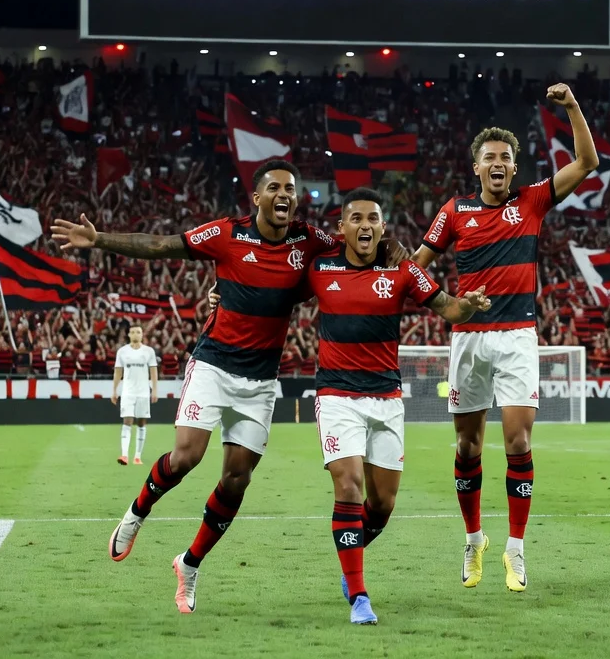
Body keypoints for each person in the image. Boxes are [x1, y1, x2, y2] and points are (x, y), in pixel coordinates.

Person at [53, 159, 344, 614]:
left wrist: (398, 250)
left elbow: (357, 253)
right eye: (276, 188)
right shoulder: (228, 234)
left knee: (236, 480)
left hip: (262, 379)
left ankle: (189, 565)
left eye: (292, 188)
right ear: (257, 197)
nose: (286, 195)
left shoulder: (310, 241)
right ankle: (135, 515)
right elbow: (161, 245)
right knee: (187, 455)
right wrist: (100, 239)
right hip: (213, 365)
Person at [210, 187, 492, 625]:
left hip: (386, 397)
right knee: (349, 487)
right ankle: (359, 595)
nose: (365, 226)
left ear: (383, 227)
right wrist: (220, 294)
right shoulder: (319, 268)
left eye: (373, 219)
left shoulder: (403, 269)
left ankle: (350, 557)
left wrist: (468, 306)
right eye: (356, 219)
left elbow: (448, 309)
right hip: (337, 395)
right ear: (341, 229)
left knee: (382, 505)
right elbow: (268, 287)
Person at [412, 83, 601, 592]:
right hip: (469, 338)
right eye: (489, 157)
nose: (498, 163)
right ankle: (474, 540)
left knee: (518, 439)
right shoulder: (454, 211)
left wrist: (571, 107)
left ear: (515, 167)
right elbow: (416, 271)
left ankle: (515, 550)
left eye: (506, 157)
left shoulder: (533, 200)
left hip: (517, 334)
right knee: (468, 446)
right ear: (476, 167)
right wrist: (449, 304)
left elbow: (587, 162)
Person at [113, 324, 159, 466]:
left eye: (138, 332)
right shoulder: (122, 352)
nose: (135, 334)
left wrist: (155, 390)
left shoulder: (149, 351)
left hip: (143, 392)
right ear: (129, 335)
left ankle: (137, 456)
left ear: (142, 334)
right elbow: (118, 372)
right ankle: (125, 455)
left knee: (141, 423)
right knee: (127, 421)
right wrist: (114, 390)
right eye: (132, 332)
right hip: (128, 392)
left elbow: (153, 372)